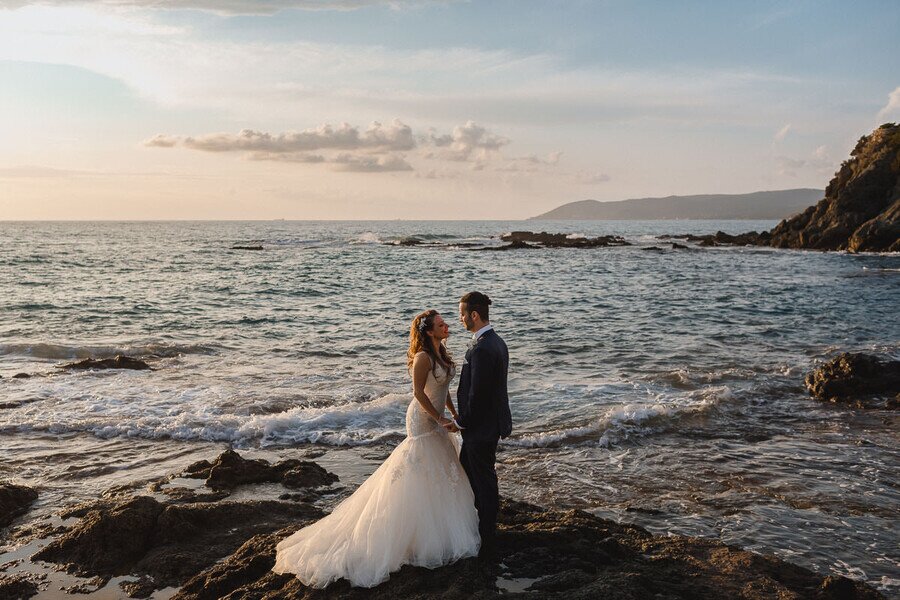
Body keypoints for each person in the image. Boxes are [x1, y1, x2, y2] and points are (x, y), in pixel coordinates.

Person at [272, 310, 480, 588]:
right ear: (429, 331)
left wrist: (452, 414)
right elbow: (419, 394)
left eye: (445, 322)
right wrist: (439, 418)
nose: (447, 326)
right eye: (441, 324)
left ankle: (434, 530)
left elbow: (443, 391)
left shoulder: (442, 352)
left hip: (438, 417)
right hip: (421, 419)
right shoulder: (423, 358)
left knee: (442, 468)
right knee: (419, 469)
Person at [449, 291, 512, 561]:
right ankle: (478, 527)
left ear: (474, 315)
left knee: (484, 482)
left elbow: (478, 394)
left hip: (481, 428)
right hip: (487, 425)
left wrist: (460, 422)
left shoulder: (484, 348)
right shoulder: (496, 342)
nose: (460, 319)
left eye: (462, 314)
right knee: (471, 474)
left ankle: (487, 537)